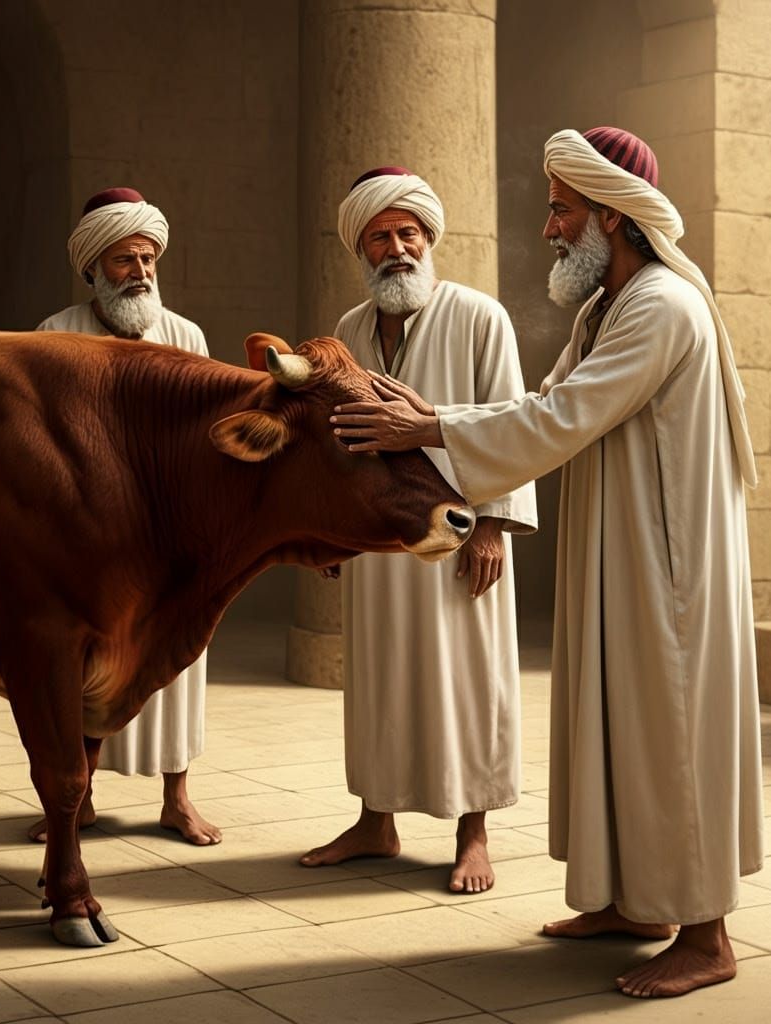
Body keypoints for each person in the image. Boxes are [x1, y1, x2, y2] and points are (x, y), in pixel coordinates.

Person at [329, 128, 764, 997]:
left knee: (671, 729)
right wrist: (436, 423)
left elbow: (561, 418)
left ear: (613, 215)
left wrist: (432, 428)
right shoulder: (607, 307)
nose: (550, 229)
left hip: (670, 567)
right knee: (619, 723)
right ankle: (632, 904)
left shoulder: (661, 305)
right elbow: (538, 405)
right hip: (624, 552)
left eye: (562, 211)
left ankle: (707, 933)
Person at [299, 167, 537, 893]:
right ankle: (377, 819)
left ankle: (474, 832)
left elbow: (510, 422)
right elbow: (332, 440)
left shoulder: (479, 316)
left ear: (429, 239)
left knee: (469, 677)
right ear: (361, 251)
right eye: (379, 237)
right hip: (377, 534)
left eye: (408, 233)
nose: (396, 248)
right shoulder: (347, 331)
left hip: (462, 532)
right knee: (378, 677)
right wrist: (331, 534)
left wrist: (494, 524)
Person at [32, 186, 221, 846]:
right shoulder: (55, 336)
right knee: (81, 669)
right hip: (87, 538)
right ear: (91, 268)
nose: (141, 273)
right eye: (123, 261)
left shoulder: (186, 336)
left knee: (174, 665)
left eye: (148, 259)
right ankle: (77, 799)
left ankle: (177, 798)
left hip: (169, 534)